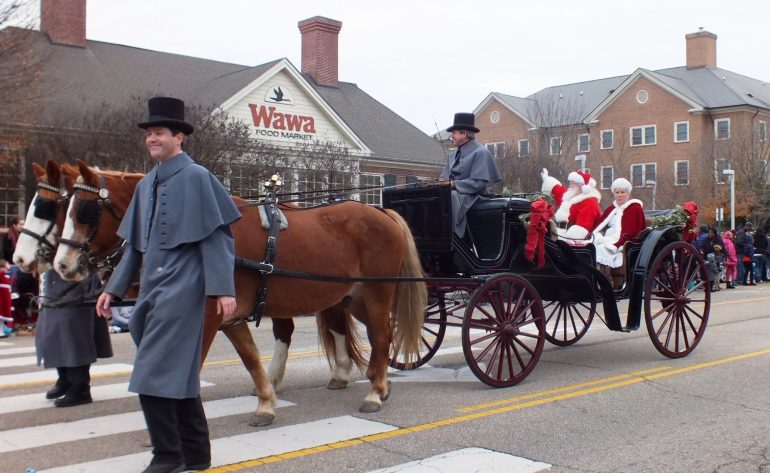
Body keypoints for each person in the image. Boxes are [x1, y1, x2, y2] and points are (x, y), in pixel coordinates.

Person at [95, 97, 240, 473]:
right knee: (179, 375)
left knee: (151, 374)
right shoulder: (146, 185)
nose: (151, 138)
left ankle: (168, 456)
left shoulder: (198, 177)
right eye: (149, 133)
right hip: (152, 294)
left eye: (159, 132)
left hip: (184, 290)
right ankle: (196, 453)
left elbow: (217, 238)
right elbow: (134, 247)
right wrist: (112, 288)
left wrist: (223, 288)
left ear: (179, 137)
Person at [35, 270, 113, 406]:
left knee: (74, 332)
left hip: (76, 271)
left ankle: (80, 386)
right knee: (53, 332)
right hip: (54, 275)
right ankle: (66, 378)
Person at [439, 112, 502, 239]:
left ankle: (455, 238)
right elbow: (444, 178)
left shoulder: (481, 152)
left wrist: (453, 184)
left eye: (454, 133)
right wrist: (440, 182)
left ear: (464, 134)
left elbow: (479, 183)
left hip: (474, 196)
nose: (452, 136)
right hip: (456, 194)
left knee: (451, 196)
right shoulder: (452, 155)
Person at [592, 178, 646, 286]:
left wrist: (617, 244)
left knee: (601, 249)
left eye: (622, 192)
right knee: (591, 247)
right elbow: (599, 226)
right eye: (617, 192)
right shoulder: (610, 209)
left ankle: (604, 282)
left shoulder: (635, 209)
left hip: (623, 242)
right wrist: (597, 236)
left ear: (628, 194)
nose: (619, 195)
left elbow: (633, 231)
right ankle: (594, 280)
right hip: (607, 239)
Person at [541, 168, 602, 239]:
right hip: (561, 235)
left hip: (571, 239)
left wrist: (566, 240)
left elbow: (581, 231)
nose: (569, 185)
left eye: (572, 182)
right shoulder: (574, 196)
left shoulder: (590, 202)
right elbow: (561, 193)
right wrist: (547, 180)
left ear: (581, 185)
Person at [0, 259, 12, 338]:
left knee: (2, 317)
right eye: (7, 264)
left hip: (5, 298)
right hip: (1, 298)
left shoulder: (5, 275)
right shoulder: (1, 273)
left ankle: (1, 331)